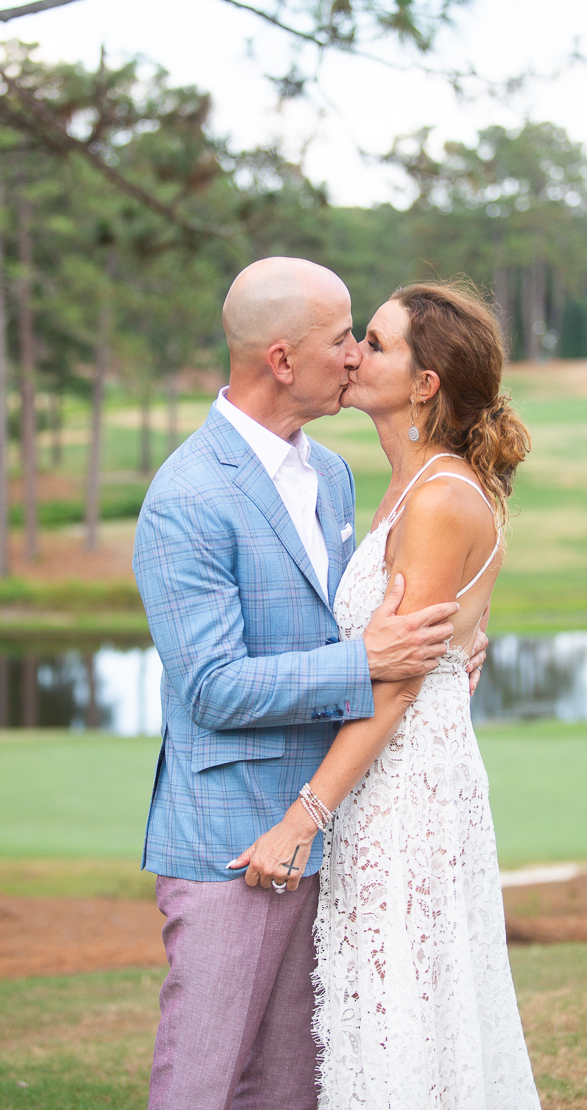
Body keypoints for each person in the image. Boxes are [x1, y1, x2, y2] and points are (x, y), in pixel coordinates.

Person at [132, 258, 489, 1110]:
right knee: (205, 1083)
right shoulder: (184, 498)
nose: (355, 358)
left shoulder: (332, 474)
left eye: (364, 340)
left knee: (299, 1085)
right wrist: (364, 662)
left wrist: (457, 644)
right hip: (234, 838)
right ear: (283, 360)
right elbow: (213, 687)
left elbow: (387, 609)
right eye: (343, 340)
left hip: (346, 829)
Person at [232, 281, 540, 1108]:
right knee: (387, 1004)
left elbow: (398, 686)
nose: (354, 354)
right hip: (385, 779)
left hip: (407, 789)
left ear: (425, 381)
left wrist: (300, 822)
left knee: (402, 1002)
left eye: (374, 340)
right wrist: (469, 643)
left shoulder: (437, 496)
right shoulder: (410, 489)